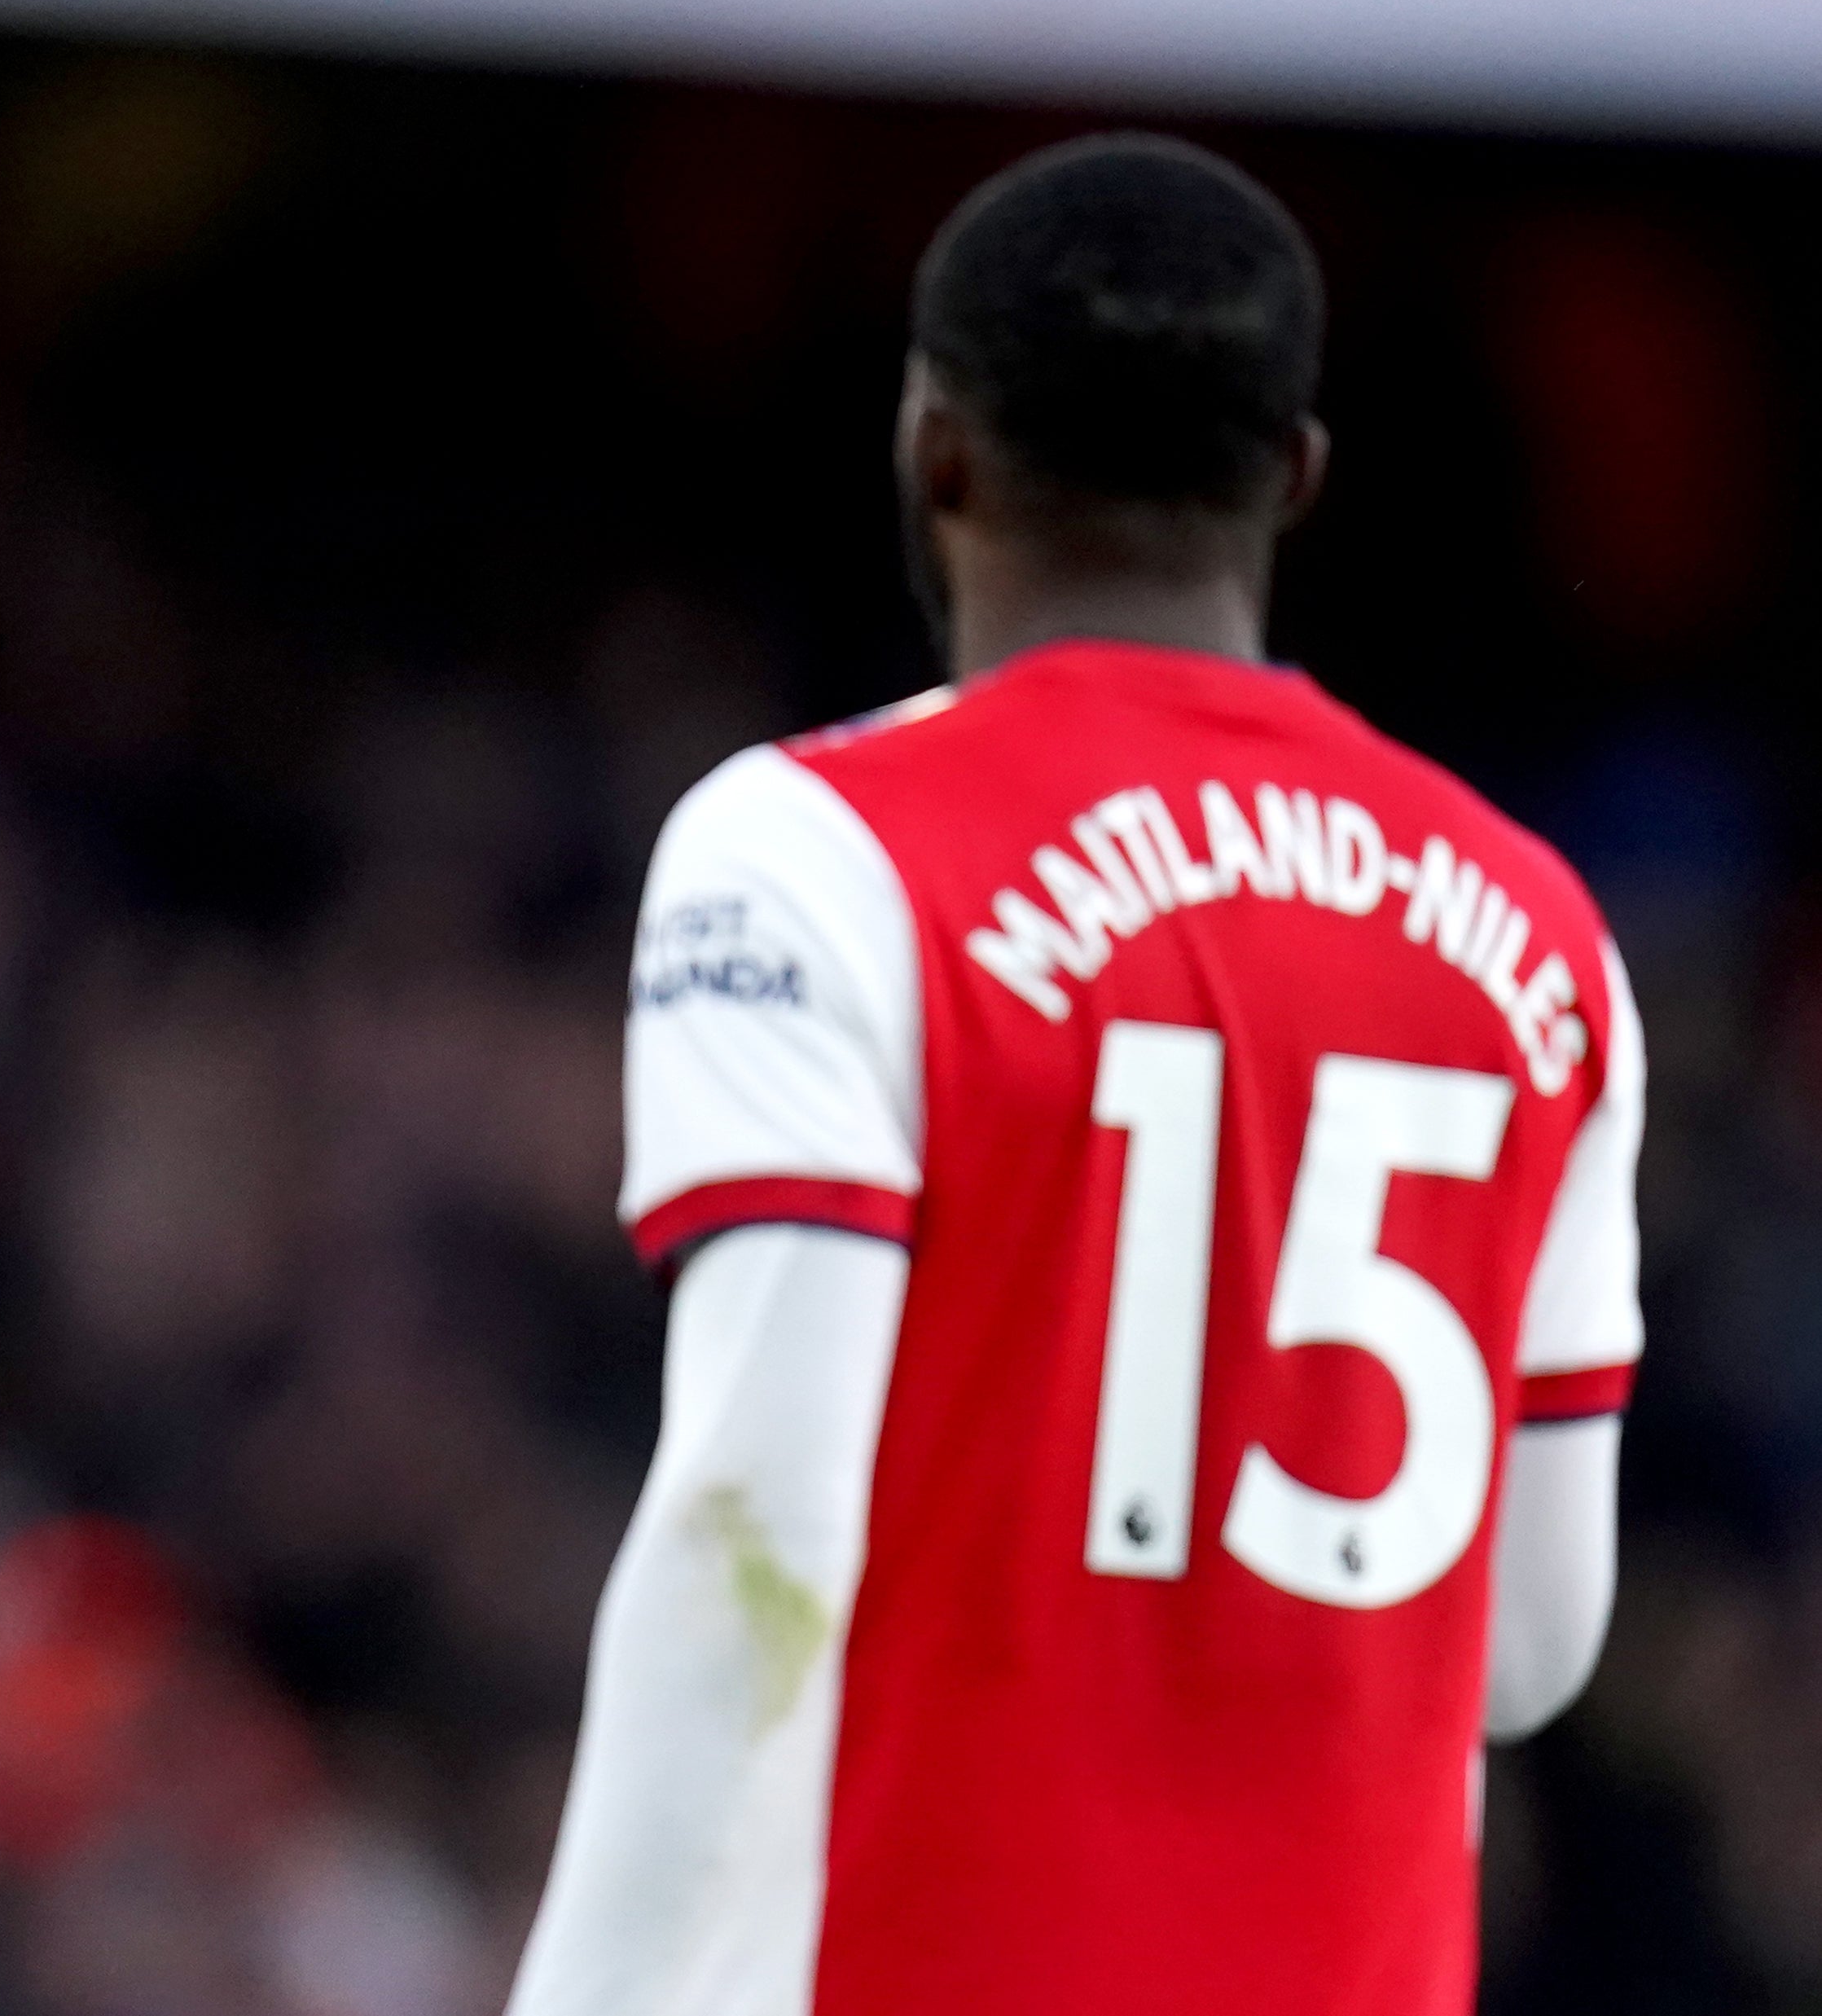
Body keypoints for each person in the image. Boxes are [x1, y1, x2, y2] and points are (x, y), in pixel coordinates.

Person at [506, 137, 1639, 2016]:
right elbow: (1527, 1641)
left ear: (932, 450)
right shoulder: (1539, 933)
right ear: (1294, 477)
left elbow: (754, 1522)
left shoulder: (813, 851)